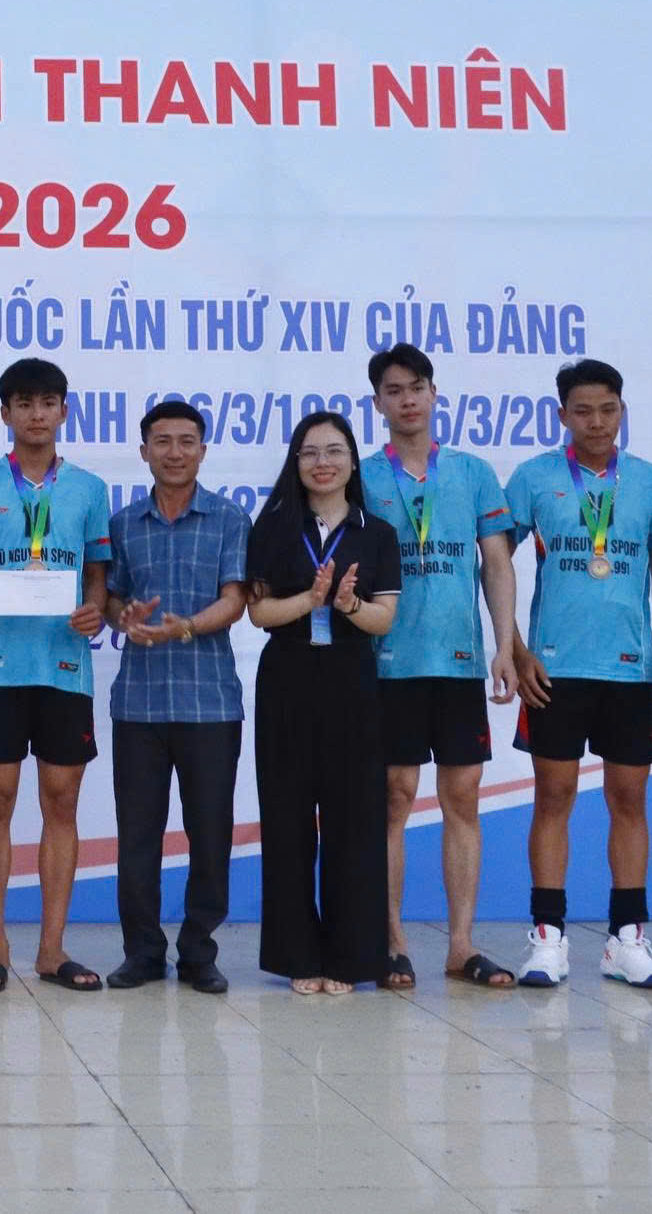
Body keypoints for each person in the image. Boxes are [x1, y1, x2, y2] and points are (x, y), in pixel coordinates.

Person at [505, 358, 652, 988]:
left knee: (628, 800)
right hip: (553, 670)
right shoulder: (534, 478)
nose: (597, 422)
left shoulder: (650, 482)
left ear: (622, 410)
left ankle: (626, 939)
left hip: (629, 670)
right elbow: (492, 564)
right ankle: (548, 936)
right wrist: (516, 648)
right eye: (583, 411)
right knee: (553, 798)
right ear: (562, 415)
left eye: (608, 409)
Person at [356, 345, 520, 991]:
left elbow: (496, 563)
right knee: (393, 796)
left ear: (434, 393)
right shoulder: (363, 476)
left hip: (457, 661)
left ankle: (461, 944)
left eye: (417, 387)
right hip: (387, 662)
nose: (408, 400)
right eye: (394, 390)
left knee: (463, 795)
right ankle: (392, 941)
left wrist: (504, 645)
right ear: (378, 402)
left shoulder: (473, 473)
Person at [0, 356, 112, 995]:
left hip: (65, 666)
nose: (36, 415)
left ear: (64, 411)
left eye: (47, 403)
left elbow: (97, 574)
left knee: (61, 800)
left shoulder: (90, 489)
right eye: (24, 404)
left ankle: (51, 949)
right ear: (5, 413)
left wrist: (95, 609)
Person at [246, 410, 401, 994]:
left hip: (351, 680)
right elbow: (259, 612)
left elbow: (384, 619)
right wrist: (309, 600)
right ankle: (297, 956)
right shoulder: (273, 527)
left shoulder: (377, 533)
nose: (322, 463)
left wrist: (348, 606)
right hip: (287, 677)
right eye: (310, 452)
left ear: (353, 462)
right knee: (286, 818)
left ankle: (351, 957)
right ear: (296, 462)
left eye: (334, 451)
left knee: (354, 820)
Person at [102, 400, 251, 995]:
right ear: (143, 451)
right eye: (162, 441)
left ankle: (198, 952)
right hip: (138, 704)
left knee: (210, 834)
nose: (174, 452)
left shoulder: (230, 519)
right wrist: (124, 615)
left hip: (210, 702)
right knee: (137, 836)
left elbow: (235, 600)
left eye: (186, 441)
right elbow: (112, 600)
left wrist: (184, 626)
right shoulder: (123, 524)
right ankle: (142, 951)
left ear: (203, 450)